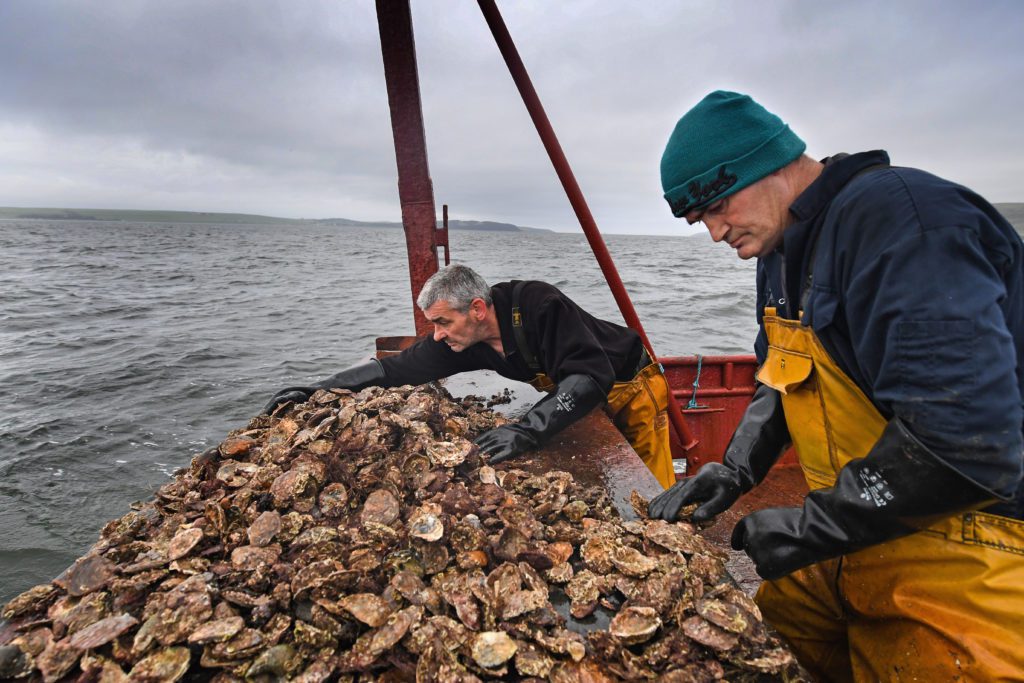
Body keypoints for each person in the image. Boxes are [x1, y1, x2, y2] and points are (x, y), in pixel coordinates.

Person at [650, 90, 1024, 679]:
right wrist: (737, 467)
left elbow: (969, 446)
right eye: (702, 221)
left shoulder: (903, 223)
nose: (716, 233)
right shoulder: (779, 249)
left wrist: (811, 528)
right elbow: (781, 374)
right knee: (748, 645)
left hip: (972, 542)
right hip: (855, 528)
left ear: (767, 162)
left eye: (718, 206)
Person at [263, 264, 677, 489]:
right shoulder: (466, 340)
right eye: (434, 325)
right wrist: (318, 388)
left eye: (443, 322)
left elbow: (590, 375)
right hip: (573, 387)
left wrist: (527, 430)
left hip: (630, 384)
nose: (438, 335)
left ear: (477, 309)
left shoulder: (539, 304)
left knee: (648, 478)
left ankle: (673, 533)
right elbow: (397, 368)